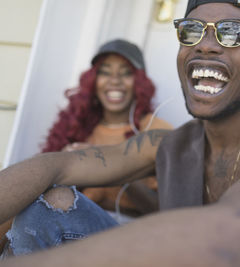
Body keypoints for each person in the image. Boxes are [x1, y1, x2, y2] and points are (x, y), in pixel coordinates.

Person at [0, 0, 240, 266]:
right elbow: (56, 166)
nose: (206, 46)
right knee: (52, 201)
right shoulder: (167, 144)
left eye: (232, 33)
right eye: (191, 31)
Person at [41, 39, 172, 218]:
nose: (114, 81)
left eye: (126, 74)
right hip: (69, 222)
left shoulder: (155, 130)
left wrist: (109, 164)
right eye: (105, 73)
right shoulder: (77, 125)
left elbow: (166, 211)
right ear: (93, 81)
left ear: (140, 83)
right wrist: (66, 166)